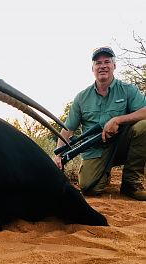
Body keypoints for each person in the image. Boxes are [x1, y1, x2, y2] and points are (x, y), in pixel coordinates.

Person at [54, 46, 146, 200]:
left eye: (107, 62)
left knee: (143, 126)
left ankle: (131, 183)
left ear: (114, 66)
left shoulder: (128, 89)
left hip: (121, 144)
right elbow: (67, 130)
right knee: (89, 188)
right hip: (95, 150)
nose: (102, 66)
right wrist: (58, 154)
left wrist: (118, 120)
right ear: (92, 68)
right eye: (98, 63)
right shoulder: (81, 97)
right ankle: (104, 171)